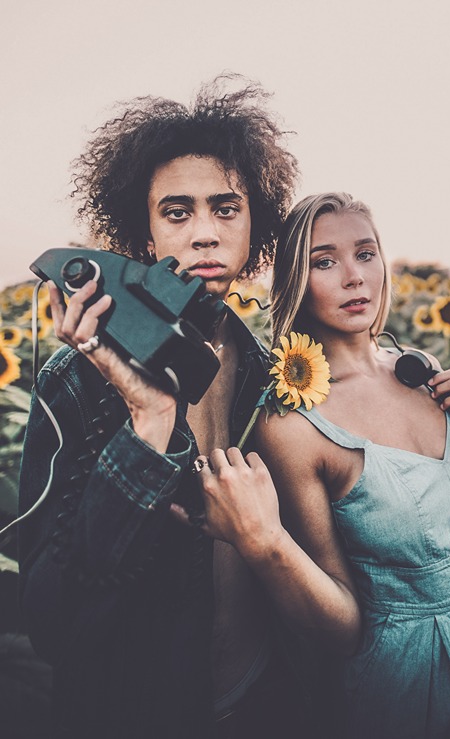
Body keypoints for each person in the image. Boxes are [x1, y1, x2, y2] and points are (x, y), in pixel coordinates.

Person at [17, 76, 316, 739]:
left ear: (256, 225)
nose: (204, 234)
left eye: (226, 208)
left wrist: (446, 399)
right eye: (177, 212)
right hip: (136, 710)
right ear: (144, 235)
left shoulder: (275, 375)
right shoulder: (76, 379)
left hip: (263, 701)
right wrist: (148, 421)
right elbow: (54, 621)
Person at [194, 192, 450, 738]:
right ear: (295, 280)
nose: (354, 277)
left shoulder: (420, 370)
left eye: (365, 253)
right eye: (324, 261)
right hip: (408, 678)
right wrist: (264, 542)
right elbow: (339, 629)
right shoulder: (294, 424)